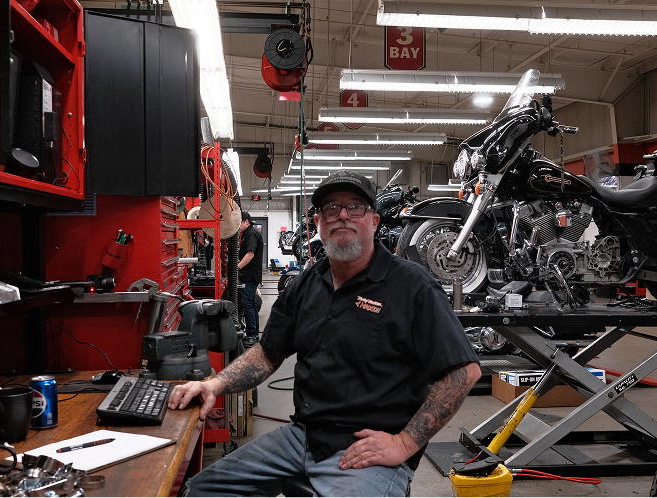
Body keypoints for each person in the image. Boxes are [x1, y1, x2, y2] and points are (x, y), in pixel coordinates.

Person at [168, 170, 481, 497]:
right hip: (303, 435)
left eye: (355, 207)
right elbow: (267, 353)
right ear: (318, 222)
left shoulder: (412, 286)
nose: (342, 215)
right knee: (200, 490)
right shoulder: (307, 282)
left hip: (366, 445)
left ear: (374, 221)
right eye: (331, 208)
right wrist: (213, 385)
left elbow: (463, 372)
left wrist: (405, 443)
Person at [238, 211, 263, 347]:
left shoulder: (251, 234)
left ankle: (252, 335)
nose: (237, 225)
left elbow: (250, 255)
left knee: (248, 304)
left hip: (250, 276)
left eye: (239, 222)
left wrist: (236, 268)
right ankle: (254, 334)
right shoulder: (246, 234)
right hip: (249, 275)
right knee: (251, 304)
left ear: (246, 221)